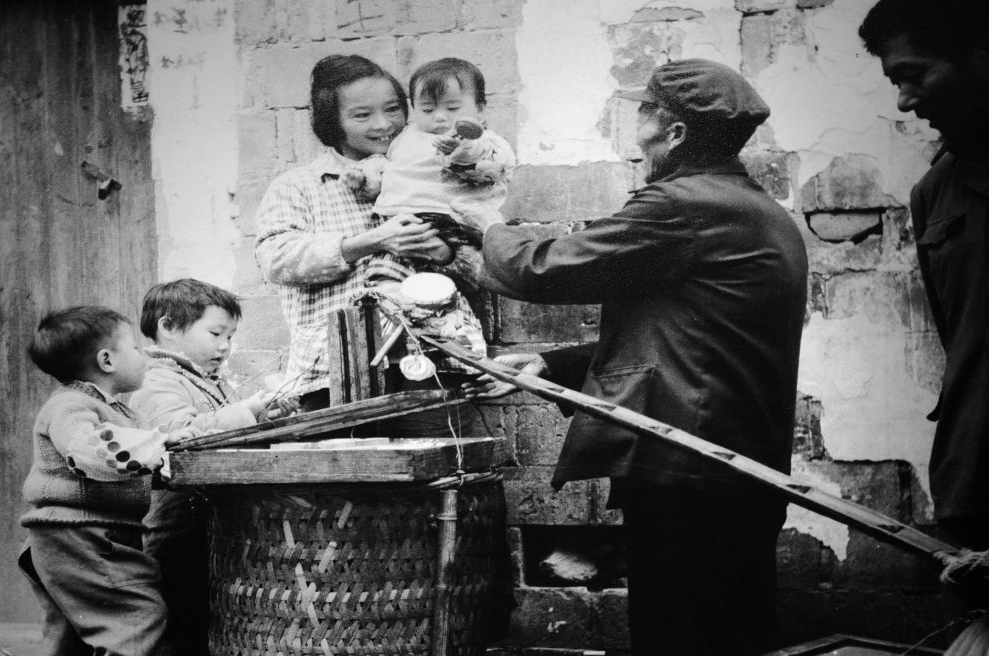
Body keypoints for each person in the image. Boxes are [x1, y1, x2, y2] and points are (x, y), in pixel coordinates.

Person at [461, 59, 808, 655]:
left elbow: (544, 267)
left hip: (691, 471)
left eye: (644, 114)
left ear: (674, 132)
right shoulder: (746, 207)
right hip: (725, 471)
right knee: (727, 631)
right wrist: (552, 365)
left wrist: (485, 223)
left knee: (683, 638)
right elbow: (693, 336)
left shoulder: (686, 205)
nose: (635, 135)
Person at [255, 54, 479, 436]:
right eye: (362, 115)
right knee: (350, 473)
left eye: (393, 109)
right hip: (334, 371)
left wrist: (444, 254)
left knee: (442, 466)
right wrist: (373, 240)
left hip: (433, 361)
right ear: (332, 122)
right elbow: (275, 260)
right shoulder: (299, 186)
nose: (383, 124)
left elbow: (479, 262)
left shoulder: (439, 173)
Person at [859, 0, 989, 554]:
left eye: (915, 74)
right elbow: (959, 344)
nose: (906, 101)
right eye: (897, 82)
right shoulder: (934, 192)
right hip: (974, 483)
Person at [129, 278, 294, 655]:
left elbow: (223, 427)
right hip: (175, 521)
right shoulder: (156, 380)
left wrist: (263, 416)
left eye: (230, 337)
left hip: (204, 518)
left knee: (202, 616)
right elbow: (180, 435)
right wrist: (245, 410)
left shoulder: (206, 381)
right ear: (168, 327)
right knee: (179, 617)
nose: (225, 346)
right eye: (216, 333)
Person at [17, 305, 190, 656]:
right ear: (107, 361)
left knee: (71, 636)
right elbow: (89, 451)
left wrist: (160, 460)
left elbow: (124, 466)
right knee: (136, 618)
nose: (144, 355)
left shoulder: (117, 411)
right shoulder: (71, 406)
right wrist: (157, 444)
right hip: (79, 536)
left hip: (76, 536)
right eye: (136, 348)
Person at [344, 57, 515, 373]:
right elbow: (390, 171)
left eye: (453, 108)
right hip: (400, 225)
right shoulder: (406, 138)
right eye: (427, 109)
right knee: (384, 278)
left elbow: (487, 167)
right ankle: (399, 324)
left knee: (444, 294)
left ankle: (461, 348)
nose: (439, 117)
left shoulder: (483, 140)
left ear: (480, 108)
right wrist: (364, 177)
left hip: (450, 223)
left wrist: (459, 150)